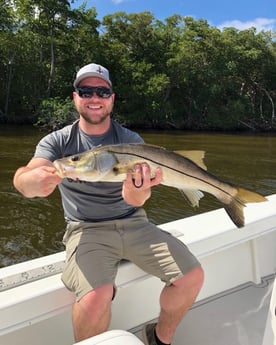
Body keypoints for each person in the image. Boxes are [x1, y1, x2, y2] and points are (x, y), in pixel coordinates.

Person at [13, 63, 204, 345]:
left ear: (112, 99)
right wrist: (31, 182)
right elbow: (23, 177)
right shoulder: (58, 141)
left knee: (192, 277)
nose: (94, 97)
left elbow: (135, 199)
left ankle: (159, 338)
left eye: (102, 91)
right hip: (86, 229)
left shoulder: (130, 141)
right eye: (86, 90)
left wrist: (138, 191)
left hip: (134, 221)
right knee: (95, 297)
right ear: (75, 97)